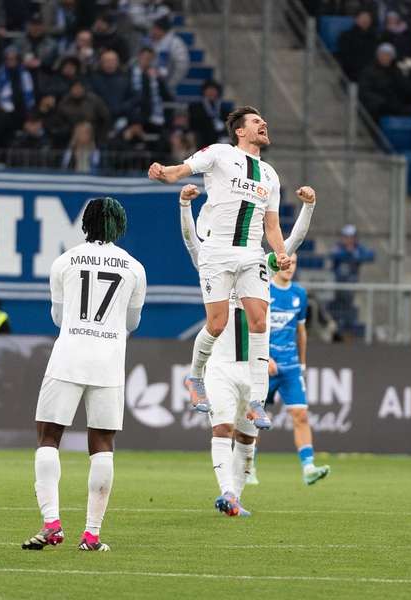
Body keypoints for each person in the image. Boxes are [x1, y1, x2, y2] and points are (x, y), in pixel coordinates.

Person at [147, 106, 293, 430]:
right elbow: (181, 170)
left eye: (263, 119)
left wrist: (280, 253)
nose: (264, 123)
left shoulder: (270, 175)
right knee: (217, 323)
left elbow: (272, 224)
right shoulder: (219, 154)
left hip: (251, 253)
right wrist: (164, 172)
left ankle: (257, 400)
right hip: (217, 251)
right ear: (240, 131)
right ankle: (195, 377)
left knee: (259, 320)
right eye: (257, 121)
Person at [178, 180, 316, 515]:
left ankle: (235, 497)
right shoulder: (211, 260)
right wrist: (184, 206)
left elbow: (290, 245)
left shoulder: (260, 266)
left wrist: (309, 207)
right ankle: (227, 491)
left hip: (254, 368)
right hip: (223, 367)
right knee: (222, 428)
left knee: (247, 439)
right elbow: (190, 241)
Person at [22, 197, 146, 552]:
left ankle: (52, 523)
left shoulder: (64, 260)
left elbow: (58, 318)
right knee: (102, 445)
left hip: (68, 356)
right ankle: (91, 535)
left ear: (85, 224)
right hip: (108, 360)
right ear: (118, 226)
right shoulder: (134, 267)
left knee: (48, 438)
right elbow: (132, 323)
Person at [267, 254, 330, 485]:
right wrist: (262, 358)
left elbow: (301, 332)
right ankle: (246, 467)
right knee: (251, 417)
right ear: (275, 263)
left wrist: (302, 364)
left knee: (301, 415)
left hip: (291, 366)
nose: (289, 267)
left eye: (293, 263)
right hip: (265, 366)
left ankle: (308, 468)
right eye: (286, 262)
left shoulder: (300, 294)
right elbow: (252, 327)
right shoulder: (264, 291)